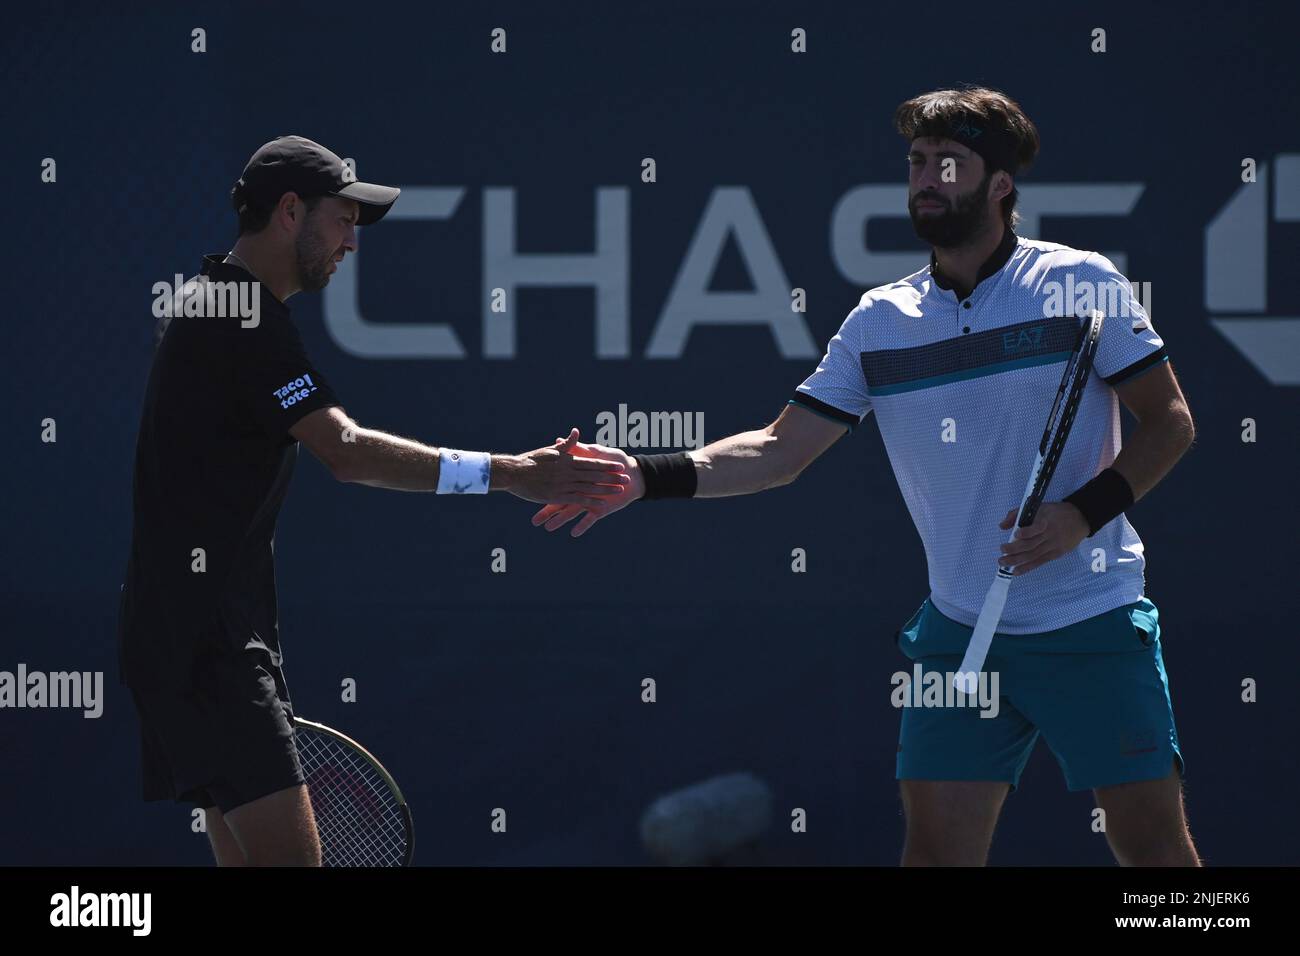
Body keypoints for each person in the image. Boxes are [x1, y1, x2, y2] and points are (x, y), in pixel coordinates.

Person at [532, 88, 1200, 866]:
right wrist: (648, 476)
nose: (926, 177)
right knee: (935, 855)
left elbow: (1170, 420)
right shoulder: (880, 321)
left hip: (1090, 620)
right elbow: (780, 451)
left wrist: (1082, 515)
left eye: (948, 162)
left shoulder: (1081, 285)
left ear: (1000, 187)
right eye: (916, 162)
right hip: (958, 638)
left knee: (1153, 851)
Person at [119, 135, 630, 866]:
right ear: (291, 211)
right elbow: (347, 453)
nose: (352, 242)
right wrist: (512, 472)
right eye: (343, 219)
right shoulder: (242, 319)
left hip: (180, 637)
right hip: (213, 647)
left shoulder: (215, 303)